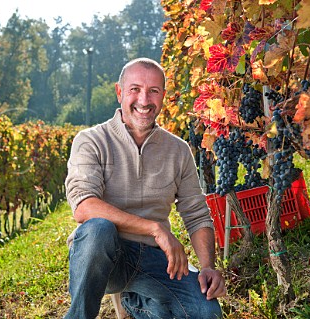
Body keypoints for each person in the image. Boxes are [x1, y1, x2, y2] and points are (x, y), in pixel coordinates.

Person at [64, 57, 226, 318]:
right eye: (135, 89)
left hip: (155, 260)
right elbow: (84, 207)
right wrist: (154, 228)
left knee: (206, 312)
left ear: (163, 96)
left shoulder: (178, 150)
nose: (144, 100)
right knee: (97, 229)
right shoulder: (91, 141)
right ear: (119, 92)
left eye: (153, 91)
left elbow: (196, 214)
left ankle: (137, 302)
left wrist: (207, 267)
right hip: (105, 259)